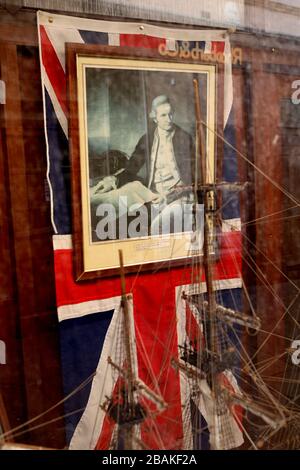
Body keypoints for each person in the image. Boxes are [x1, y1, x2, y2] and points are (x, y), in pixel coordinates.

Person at [91, 95, 197, 234]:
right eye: (163, 115)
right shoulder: (147, 139)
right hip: (153, 194)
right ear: (155, 117)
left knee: (156, 228)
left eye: (171, 114)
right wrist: (114, 179)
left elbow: (192, 179)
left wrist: (167, 196)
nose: (169, 119)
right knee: (112, 216)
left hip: (179, 197)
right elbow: (131, 168)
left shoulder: (185, 138)